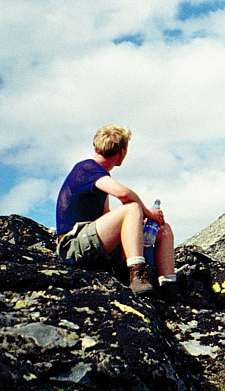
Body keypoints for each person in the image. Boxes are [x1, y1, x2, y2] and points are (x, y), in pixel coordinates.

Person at [55, 125, 176, 295]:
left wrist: (136, 224)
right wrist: (148, 213)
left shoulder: (102, 177)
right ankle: (137, 275)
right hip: (73, 245)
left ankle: (169, 288)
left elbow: (106, 216)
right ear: (122, 151)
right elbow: (124, 194)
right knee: (132, 207)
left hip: (94, 244)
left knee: (163, 230)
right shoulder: (87, 168)